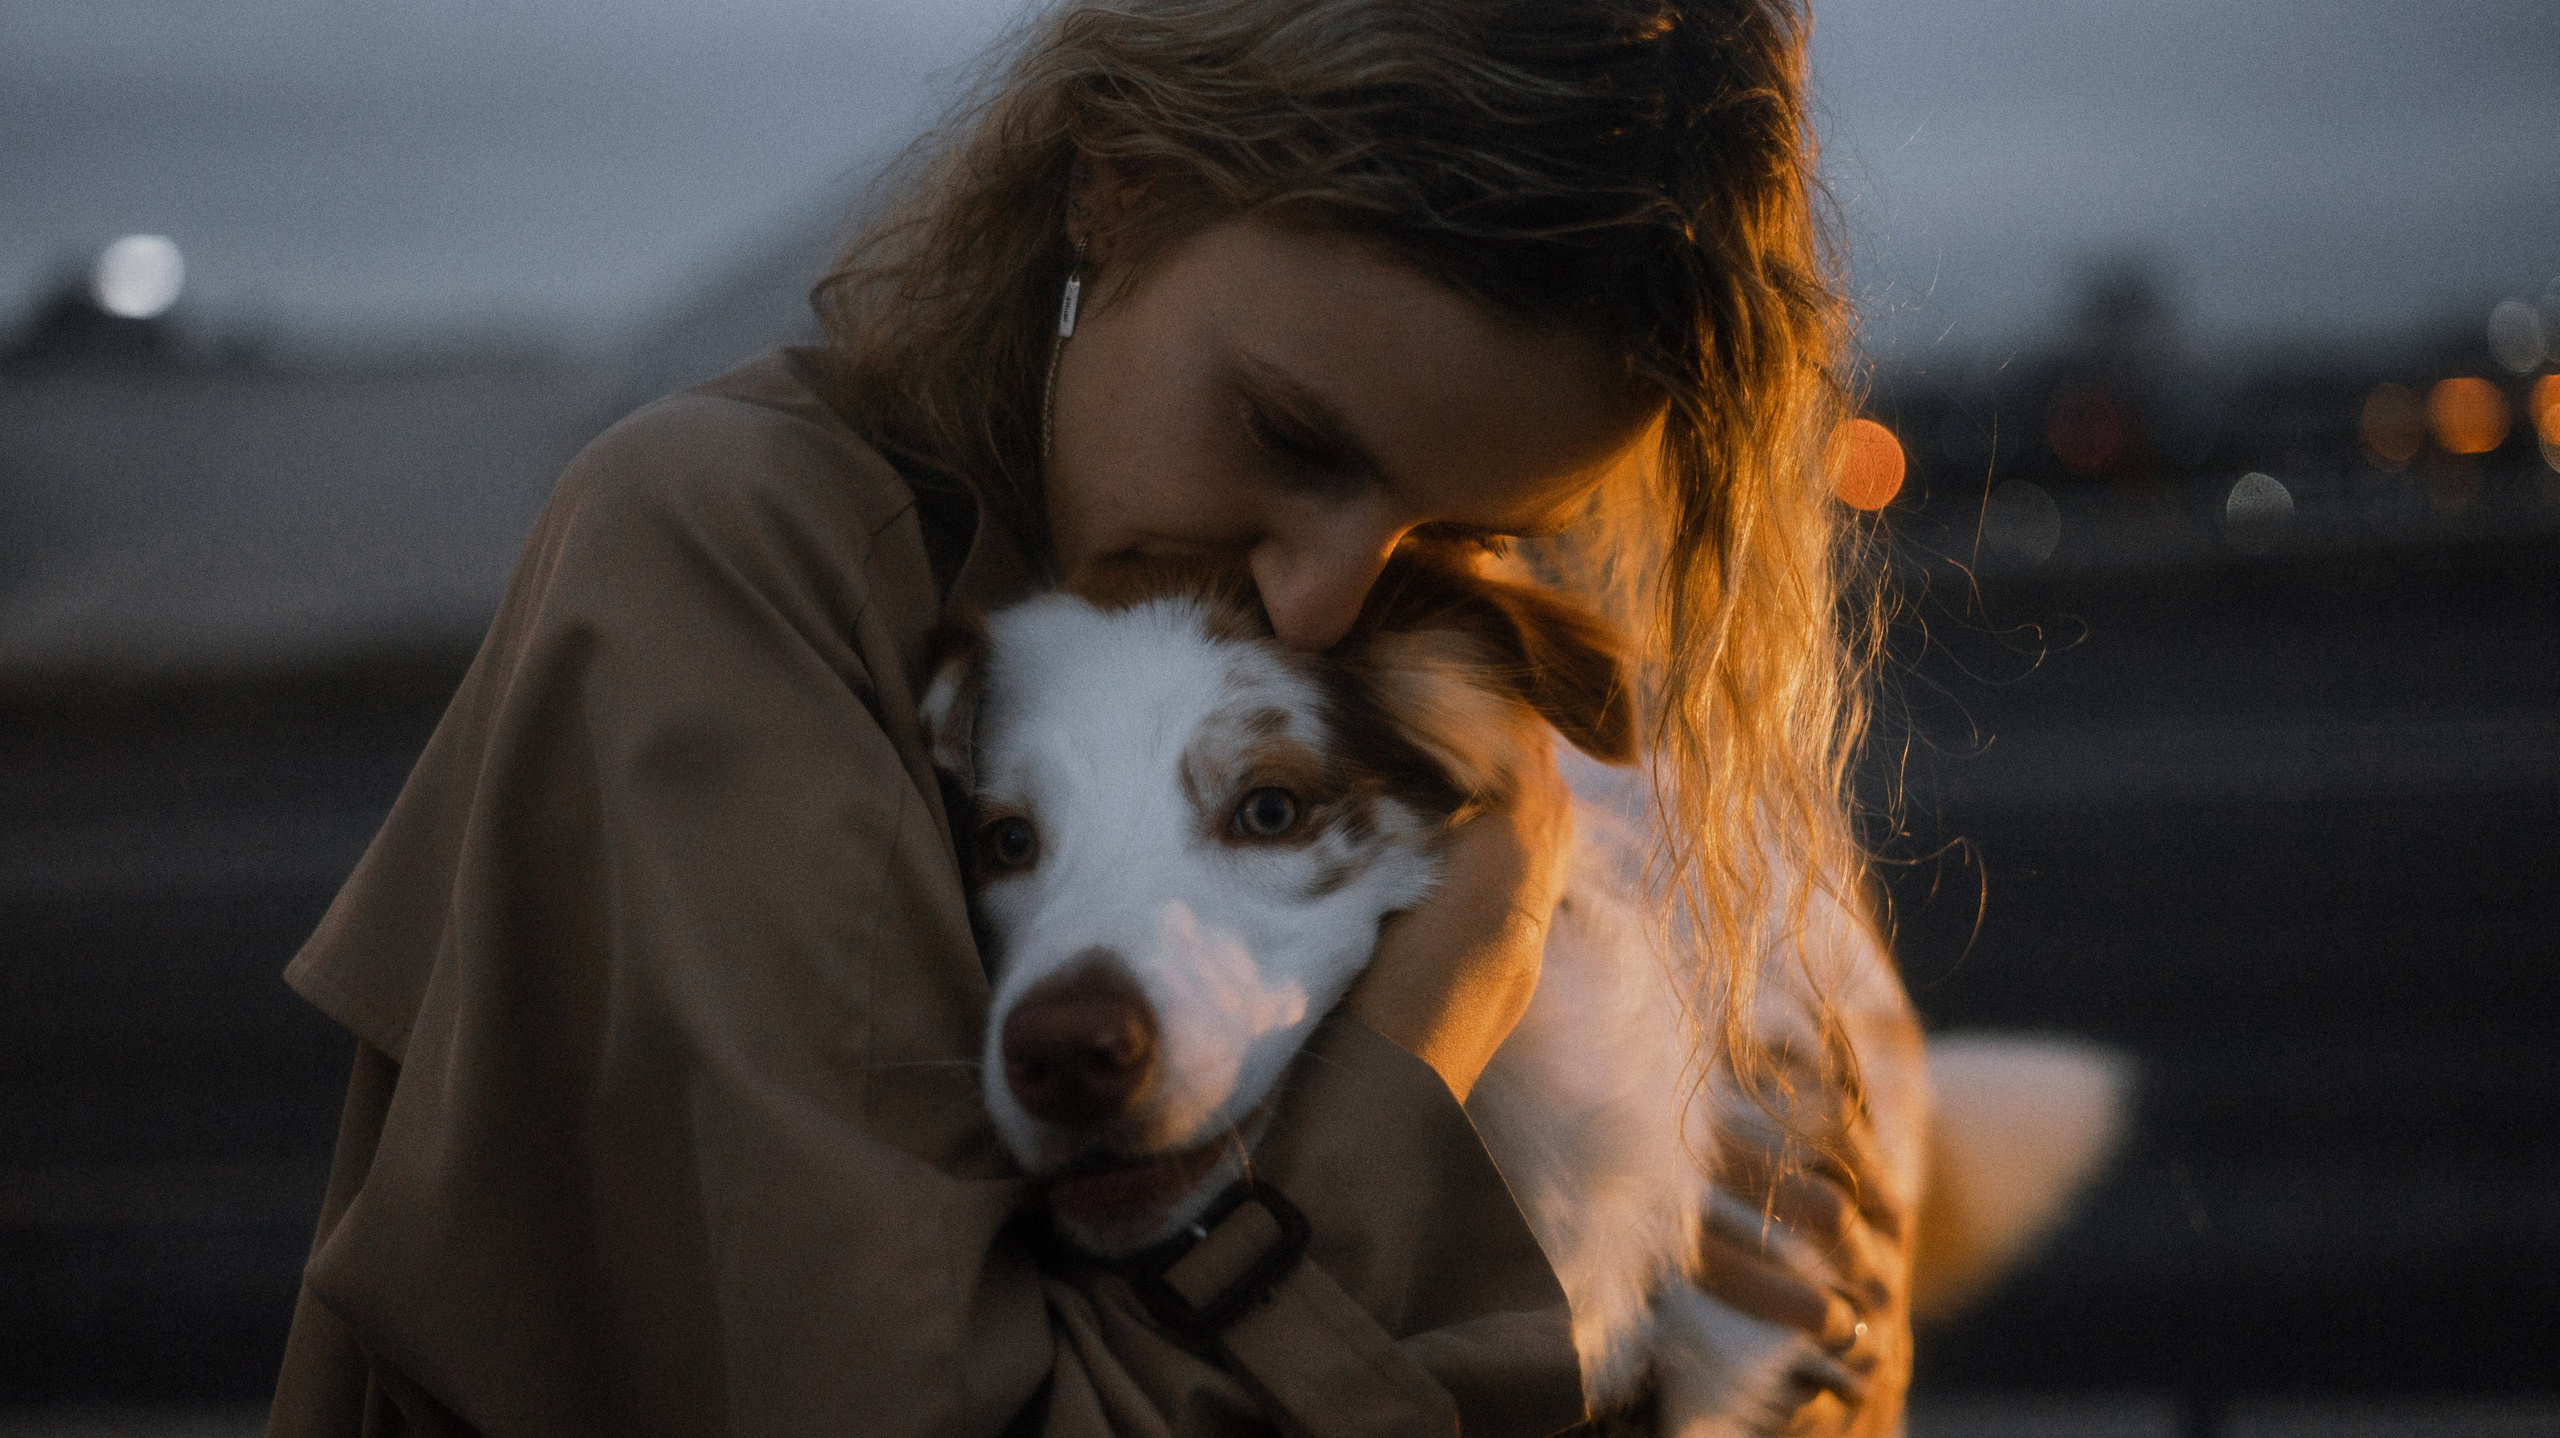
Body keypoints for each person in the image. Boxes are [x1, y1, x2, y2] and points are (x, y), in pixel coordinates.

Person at [266, 0, 1918, 1433]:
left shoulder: (1395, 674)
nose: (1326, 603)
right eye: (1289, 435)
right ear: (1112, 184)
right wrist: (1442, 1010)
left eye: (1458, 533)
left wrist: (1713, 1352)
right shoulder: (730, 551)